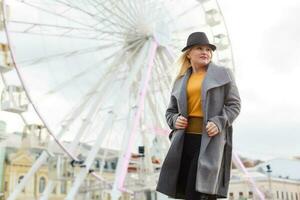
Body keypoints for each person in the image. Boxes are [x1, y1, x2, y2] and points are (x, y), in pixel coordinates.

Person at [156, 32, 241, 200]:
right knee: (190, 191)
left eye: (208, 49)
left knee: (199, 191)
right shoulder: (180, 80)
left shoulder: (224, 74)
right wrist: (175, 120)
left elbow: (234, 105)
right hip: (184, 140)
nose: (205, 52)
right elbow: (170, 112)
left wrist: (219, 122)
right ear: (188, 54)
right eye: (199, 48)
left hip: (209, 140)